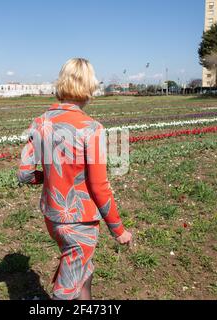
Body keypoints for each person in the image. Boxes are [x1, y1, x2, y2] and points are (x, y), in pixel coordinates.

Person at [18, 58, 132, 300]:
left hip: (53, 217)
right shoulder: (92, 128)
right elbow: (99, 186)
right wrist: (118, 229)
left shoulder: (40, 123)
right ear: (89, 87)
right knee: (65, 290)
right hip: (80, 221)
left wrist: (48, 175)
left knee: (82, 267)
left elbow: (24, 173)